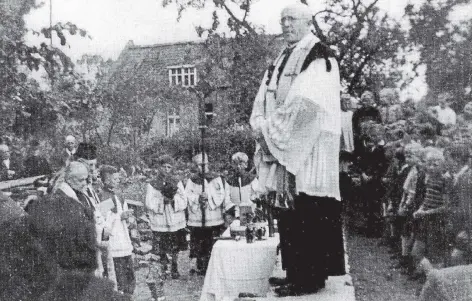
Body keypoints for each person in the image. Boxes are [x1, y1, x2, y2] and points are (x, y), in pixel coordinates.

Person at [250, 3, 345, 296]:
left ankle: (310, 277)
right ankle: (295, 271)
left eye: (292, 19)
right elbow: (265, 94)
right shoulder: (283, 56)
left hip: (310, 146)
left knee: (308, 210)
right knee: (289, 211)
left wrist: (270, 128)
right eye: (283, 20)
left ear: (307, 23)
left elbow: (306, 104)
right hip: (288, 145)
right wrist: (260, 122)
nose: (286, 24)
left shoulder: (319, 56)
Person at [185, 153, 231, 275]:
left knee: (211, 240)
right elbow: (187, 194)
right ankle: (201, 265)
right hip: (198, 216)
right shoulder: (192, 180)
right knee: (199, 240)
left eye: (203, 165)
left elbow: (221, 194)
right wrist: (198, 198)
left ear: (208, 164)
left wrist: (209, 198)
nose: (201, 168)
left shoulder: (216, 178)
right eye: (198, 165)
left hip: (212, 215)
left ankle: (213, 266)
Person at [144, 155, 187, 281]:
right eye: (164, 166)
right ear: (159, 167)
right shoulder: (152, 184)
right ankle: (163, 266)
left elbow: (184, 199)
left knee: (175, 244)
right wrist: (162, 201)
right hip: (161, 218)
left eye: (169, 167)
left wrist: (173, 200)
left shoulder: (177, 182)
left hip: (174, 217)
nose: (166, 169)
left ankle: (174, 265)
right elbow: (149, 202)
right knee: (162, 244)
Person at [100, 165, 135, 298]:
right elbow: (104, 220)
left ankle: (128, 293)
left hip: (123, 237)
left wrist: (127, 217)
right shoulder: (104, 196)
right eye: (114, 179)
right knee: (117, 271)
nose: (117, 181)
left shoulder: (118, 195)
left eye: (117, 178)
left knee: (128, 270)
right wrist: (120, 217)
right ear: (106, 180)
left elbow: (123, 212)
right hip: (114, 240)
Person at [225, 152, 260, 219]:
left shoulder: (252, 179)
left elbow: (257, 196)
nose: (238, 166)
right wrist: (235, 209)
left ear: (246, 164)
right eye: (235, 164)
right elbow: (226, 200)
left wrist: (251, 205)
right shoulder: (229, 181)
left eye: (240, 164)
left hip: (250, 214)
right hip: (233, 215)